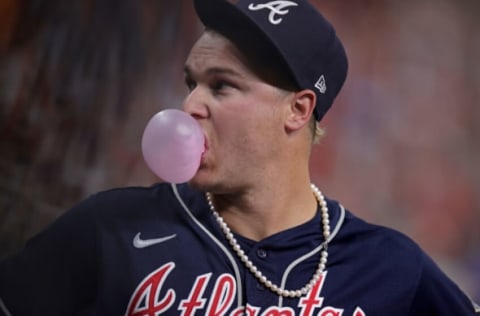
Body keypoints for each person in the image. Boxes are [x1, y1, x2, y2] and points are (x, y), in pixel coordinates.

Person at [0, 0, 478, 315]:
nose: (189, 106)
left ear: (298, 109)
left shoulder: (390, 267)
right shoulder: (111, 230)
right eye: (192, 82)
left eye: (222, 85)